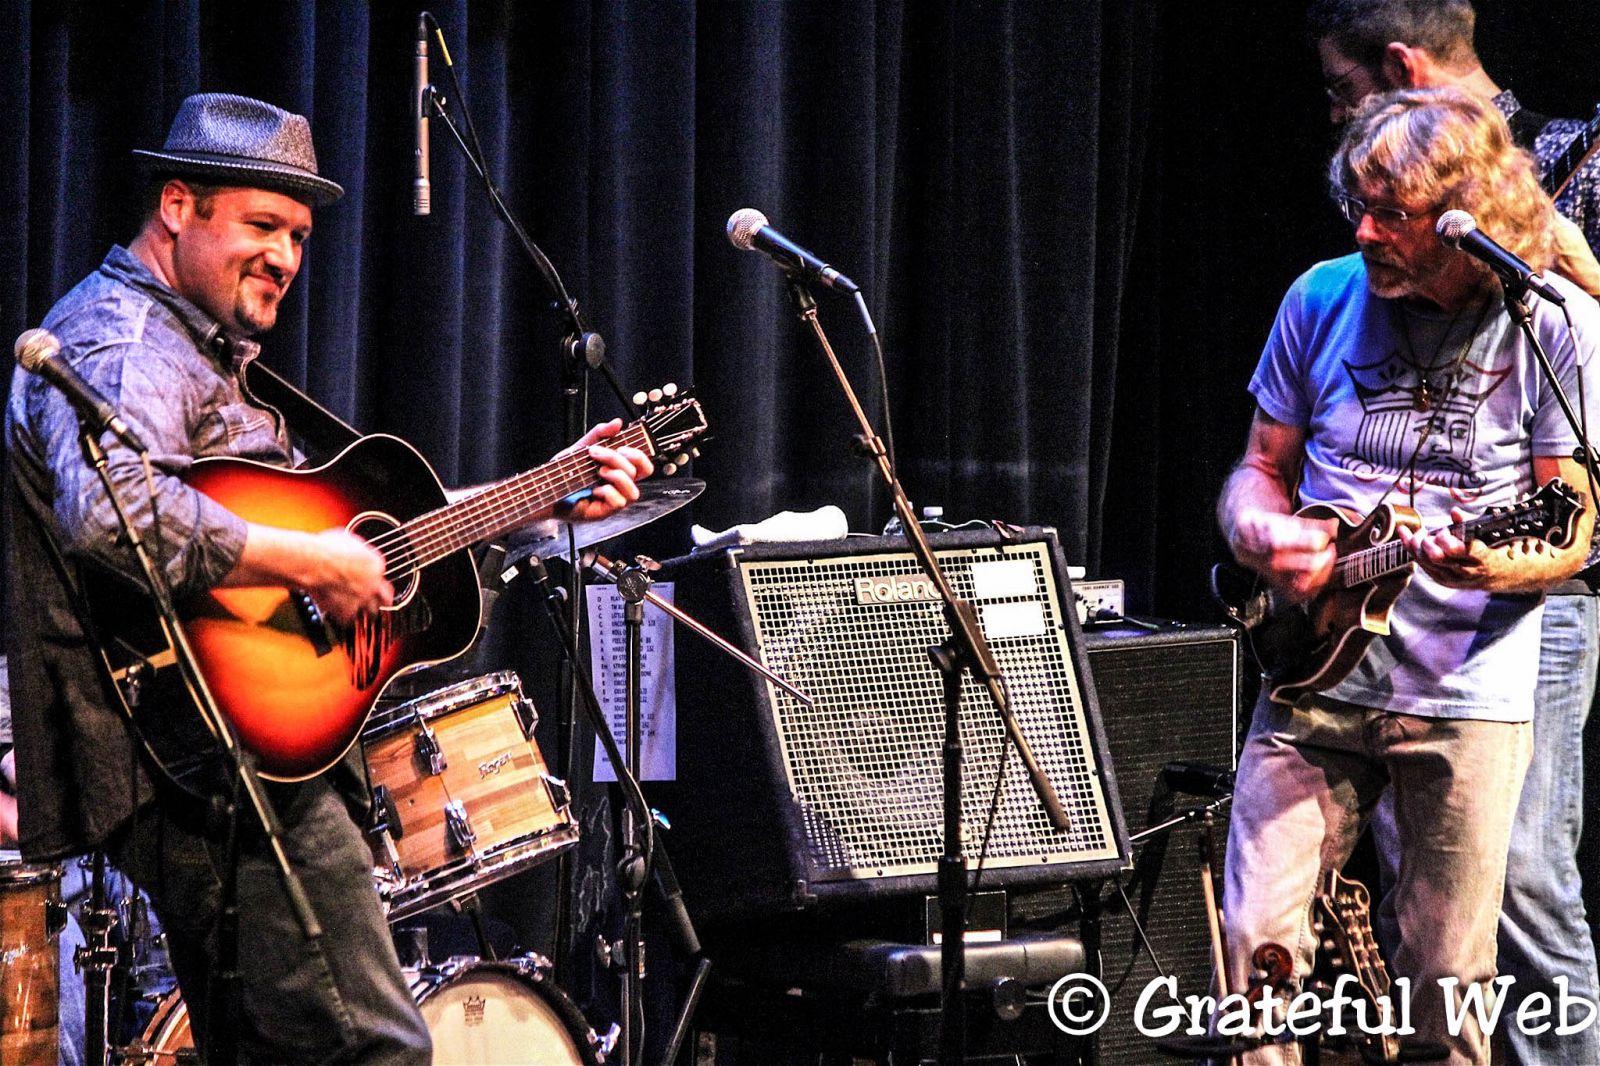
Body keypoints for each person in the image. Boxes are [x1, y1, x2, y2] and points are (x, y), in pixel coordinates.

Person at [4, 93, 654, 1064]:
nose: (284, 256)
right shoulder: (126, 337)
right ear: (177, 206)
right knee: (376, 1048)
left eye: (299, 237)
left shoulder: (193, 349)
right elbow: (109, 509)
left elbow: (344, 535)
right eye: (262, 224)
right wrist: (311, 560)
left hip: (239, 761)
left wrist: (539, 500)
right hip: (215, 760)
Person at [1217, 86, 1600, 1064]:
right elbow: (1259, 467)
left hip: (1464, 695)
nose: (1364, 231)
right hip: (1309, 672)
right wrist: (1260, 529)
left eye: (1393, 213)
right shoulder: (1318, 296)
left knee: (1447, 981)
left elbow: (1572, 523)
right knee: (1253, 953)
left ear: (1465, 218)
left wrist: (1491, 562)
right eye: (1358, 205)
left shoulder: (1552, 324)